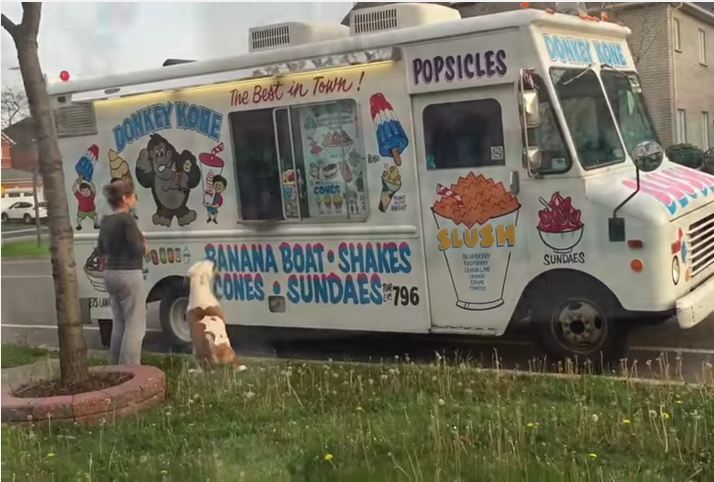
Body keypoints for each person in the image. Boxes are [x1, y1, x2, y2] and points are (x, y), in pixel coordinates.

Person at [97, 181, 146, 365]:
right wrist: (144, 245)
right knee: (135, 324)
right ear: (125, 199)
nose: (135, 199)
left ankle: (114, 364)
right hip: (129, 272)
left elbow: (101, 249)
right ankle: (130, 368)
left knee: (119, 322)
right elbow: (136, 249)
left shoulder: (105, 221)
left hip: (111, 273)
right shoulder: (127, 220)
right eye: (133, 196)